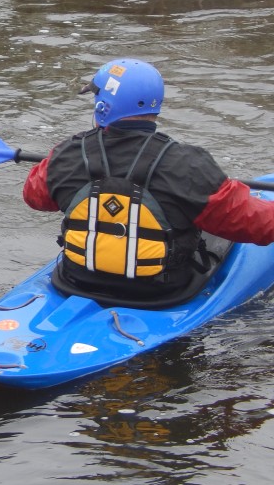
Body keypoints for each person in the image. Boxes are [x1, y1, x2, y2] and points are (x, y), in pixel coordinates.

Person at [23, 58, 274, 305]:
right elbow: (258, 225)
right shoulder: (188, 164)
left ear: (102, 106)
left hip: (77, 281)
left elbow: (34, 196)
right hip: (160, 293)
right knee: (209, 223)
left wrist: (62, 156)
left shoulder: (67, 154)